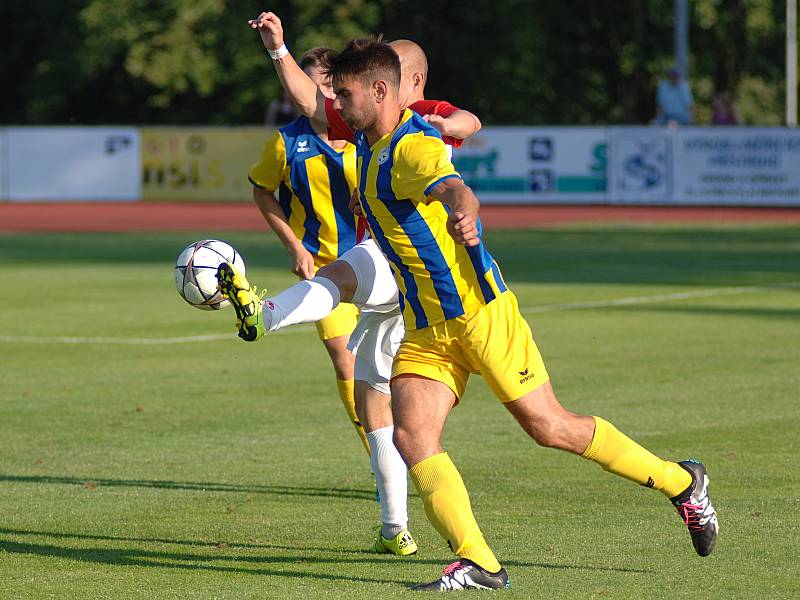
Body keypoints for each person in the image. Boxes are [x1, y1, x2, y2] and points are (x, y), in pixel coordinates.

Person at [221, 35, 719, 592]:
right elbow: (309, 102)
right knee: (412, 438)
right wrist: (278, 50)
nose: (334, 102)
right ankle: (478, 560)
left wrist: (467, 214)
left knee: (549, 427)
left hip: (482, 315)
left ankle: (681, 483)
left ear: (380, 91)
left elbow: (456, 188)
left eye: (345, 93)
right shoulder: (360, 134)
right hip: (428, 329)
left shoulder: (412, 145)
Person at [235, 13, 481, 557]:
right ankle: (394, 526)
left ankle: (265, 313)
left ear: (405, 81)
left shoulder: (416, 116)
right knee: (376, 397)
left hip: (412, 265)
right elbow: (309, 103)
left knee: (340, 275)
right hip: (399, 276)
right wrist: (278, 50)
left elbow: (466, 119)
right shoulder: (368, 123)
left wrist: (452, 126)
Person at [248, 47, 370, 460]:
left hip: (379, 264)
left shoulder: (365, 133)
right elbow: (262, 190)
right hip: (324, 270)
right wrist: (294, 245)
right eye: (317, 82)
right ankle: (378, 457)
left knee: (395, 367)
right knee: (347, 363)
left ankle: (405, 444)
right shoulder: (286, 143)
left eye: (331, 83)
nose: (325, 91)